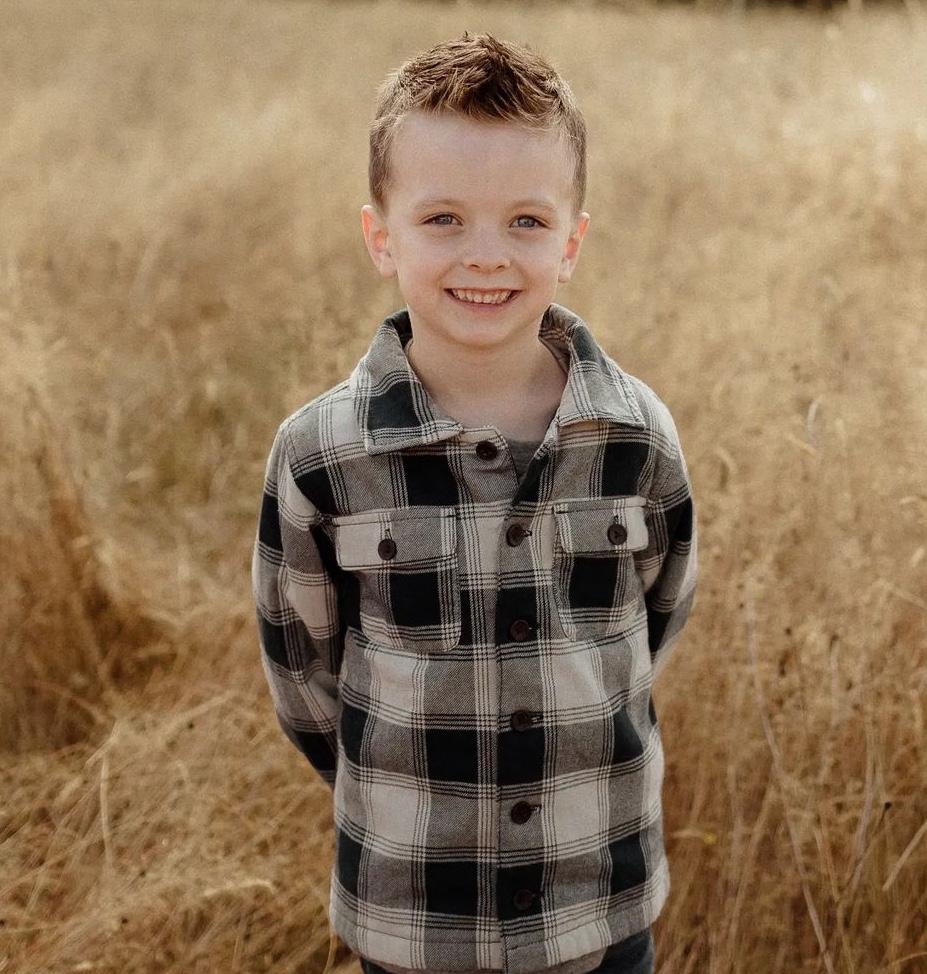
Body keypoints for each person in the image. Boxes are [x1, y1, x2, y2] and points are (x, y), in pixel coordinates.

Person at [251, 31, 698, 974]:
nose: (486, 256)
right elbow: (306, 676)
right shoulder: (321, 454)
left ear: (571, 243)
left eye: (526, 221)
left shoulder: (635, 436)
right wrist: (398, 793)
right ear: (382, 237)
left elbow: (656, 616)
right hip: (416, 915)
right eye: (443, 218)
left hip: (597, 905)